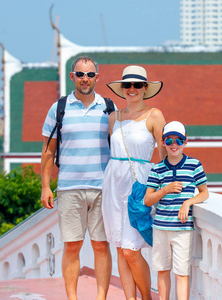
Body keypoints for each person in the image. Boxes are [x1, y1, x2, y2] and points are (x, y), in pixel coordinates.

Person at [40, 56, 113, 300]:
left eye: (90, 75)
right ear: (72, 76)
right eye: (80, 74)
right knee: (72, 245)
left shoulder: (109, 107)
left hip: (103, 188)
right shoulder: (58, 108)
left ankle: (101, 297)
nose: (85, 79)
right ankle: (72, 298)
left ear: (97, 78)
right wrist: (45, 187)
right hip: (69, 188)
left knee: (101, 245)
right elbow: (49, 151)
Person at [102, 65, 166, 300]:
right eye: (127, 85)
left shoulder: (154, 115)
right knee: (120, 247)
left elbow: (165, 154)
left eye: (137, 85)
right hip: (113, 186)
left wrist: (167, 187)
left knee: (131, 249)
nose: (132, 89)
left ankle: (147, 297)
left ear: (145, 88)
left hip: (138, 186)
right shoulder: (113, 118)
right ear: (122, 88)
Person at [144, 121, 209, 300]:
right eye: (169, 140)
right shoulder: (157, 168)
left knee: (181, 273)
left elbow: (204, 193)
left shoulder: (194, 165)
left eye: (179, 140)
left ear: (185, 142)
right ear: (163, 142)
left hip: (182, 229)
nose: (174, 144)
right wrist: (165, 189)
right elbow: (147, 200)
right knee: (163, 271)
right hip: (161, 228)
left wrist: (188, 203)